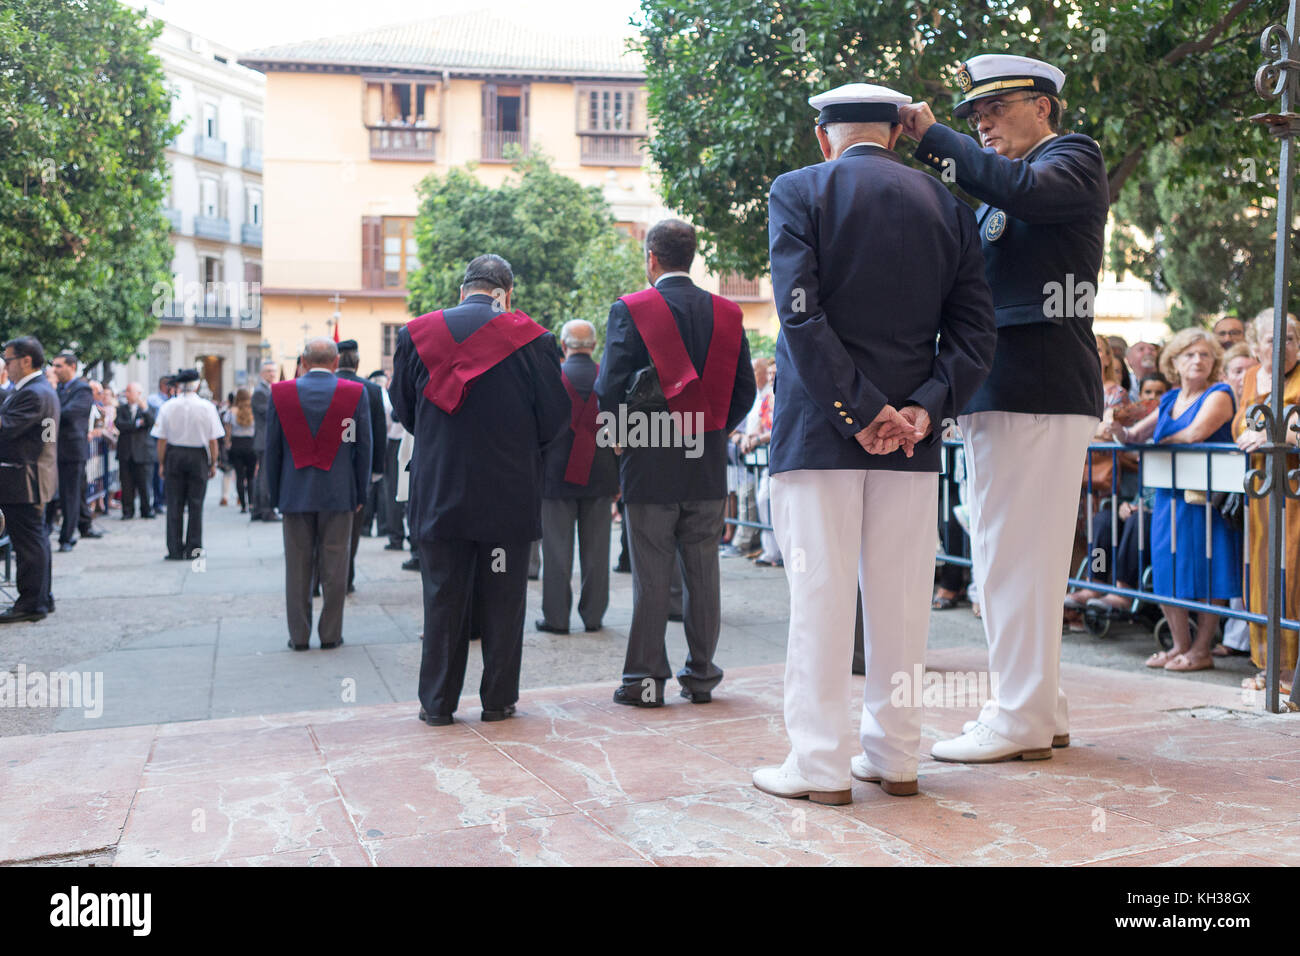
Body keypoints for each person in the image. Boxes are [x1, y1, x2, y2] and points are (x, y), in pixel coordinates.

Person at [751, 82, 996, 804]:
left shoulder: (799, 190)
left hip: (821, 435)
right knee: (901, 604)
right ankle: (896, 757)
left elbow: (800, 316)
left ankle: (820, 765)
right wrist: (920, 410)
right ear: (895, 133)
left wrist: (856, 410)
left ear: (824, 136)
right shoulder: (950, 207)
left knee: (819, 595)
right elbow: (976, 332)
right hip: (912, 443)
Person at [901, 53, 1107, 763]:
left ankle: (1018, 714)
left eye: (996, 108)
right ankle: (1040, 707)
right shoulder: (1007, 190)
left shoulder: (1072, 159)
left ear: (1043, 107)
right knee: (1010, 556)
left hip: (1038, 384)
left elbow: (1021, 192)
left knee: (1013, 559)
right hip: (1010, 386)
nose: (982, 123)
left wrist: (933, 140)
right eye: (973, 115)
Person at [390, 254, 569, 725]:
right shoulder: (536, 339)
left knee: (442, 599)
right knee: (505, 601)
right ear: (507, 294)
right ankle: (498, 702)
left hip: (440, 490)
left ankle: (437, 705)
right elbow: (555, 419)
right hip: (506, 493)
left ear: (461, 290)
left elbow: (405, 412)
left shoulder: (415, 335)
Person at [593, 219, 757, 709]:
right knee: (703, 575)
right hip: (705, 463)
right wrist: (708, 427)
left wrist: (620, 438)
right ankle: (703, 677)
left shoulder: (630, 310)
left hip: (649, 465)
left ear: (652, 259)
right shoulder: (727, 313)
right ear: (692, 257)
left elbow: (608, 387)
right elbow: (745, 390)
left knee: (651, 577)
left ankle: (646, 681)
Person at [1106, 328, 1241, 672]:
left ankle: (1201, 649)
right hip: (1168, 494)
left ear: (1213, 362)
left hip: (1205, 497)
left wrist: (1155, 445)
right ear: (1175, 362)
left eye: (1205, 354)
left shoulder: (1219, 393)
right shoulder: (1170, 397)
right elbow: (1135, 434)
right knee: (1167, 568)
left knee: (1211, 571)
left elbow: (1197, 433)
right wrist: (1117, 428)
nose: (1198, 360)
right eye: (1190, 354)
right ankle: (1180, 645)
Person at [265, 338, 371, 650]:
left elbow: (272, 451)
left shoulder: (280, 393)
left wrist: (276, 494)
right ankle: (330, 634)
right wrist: (360, 492)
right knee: (335, 566)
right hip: (339, 492)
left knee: (297, 567)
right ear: (336, 363)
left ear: (304, 362)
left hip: (294, 493)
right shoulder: (355, 393)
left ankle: (298, 637)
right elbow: (363, 449)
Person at [1232, 309, 1300, 693]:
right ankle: (1269, 665)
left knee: (1293, 572)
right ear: (1257, 347)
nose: (1283, 346)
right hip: (1262, 490)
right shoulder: (1252, 378)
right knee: (1262, 572)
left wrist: (1279, 436)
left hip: (1294, 487)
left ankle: (1292, 671)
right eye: (1274, 339)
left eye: (1290, 338)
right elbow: (1241, 423)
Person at [538, 319, 619, 634]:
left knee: (556, 553)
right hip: (600, 475)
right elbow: (620, 429)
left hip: (556, 476)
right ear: (595, 345)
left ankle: (556, 618)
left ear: (563, 345)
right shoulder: (607, 379)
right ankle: (593, 617)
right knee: (597, 552)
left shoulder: (551, 378)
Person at [0, 337, 59, 622]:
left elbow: (7, 428)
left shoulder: (33, 392)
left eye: (8, 360)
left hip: (25, 478)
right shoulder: (37, 390)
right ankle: (41, 598)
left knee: (29, 545)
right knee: (36, 541)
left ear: (26, 360)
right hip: (33, 476)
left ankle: (31, 603)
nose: (5, 366)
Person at [151, 368, 224, 560]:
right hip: (197, 455)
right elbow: (213, 440)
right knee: (195, 504)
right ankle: (193, 548)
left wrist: (161, 462)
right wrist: (213, 462)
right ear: (196, 385)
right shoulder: (207, 407)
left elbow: (161, 440)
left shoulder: (168, 406)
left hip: (174, 454)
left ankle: (174, 548)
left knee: (174, 503)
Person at [335, 340, 386, 593]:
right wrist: (377, 469)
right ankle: (346, 577)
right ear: (357, 362)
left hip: (327, 465)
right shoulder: (372, 390)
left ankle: (317, 578)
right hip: (358, 468)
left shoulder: (326, 386)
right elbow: (374, 436)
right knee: (352, 529)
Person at [50, 352, 101, 551]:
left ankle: (67, 537)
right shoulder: (58, 389)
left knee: (70, 495)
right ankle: (83, 524)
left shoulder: (82, 389)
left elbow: (70, 413)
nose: (55, 370)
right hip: (56, 448)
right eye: (54, 366)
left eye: (59, 366)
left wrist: (52, 411)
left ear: (72, 366)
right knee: (72, 493)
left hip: (72, 450)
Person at [115, 383, 156, 519]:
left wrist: (144, 410)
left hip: (143, 453)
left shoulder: (147, 408)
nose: (127, 394)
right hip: (126, 453)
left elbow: (151, 423)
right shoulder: (121, 409)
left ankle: (146, 509)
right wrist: (137, 424)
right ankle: (127, 511)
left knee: (144, 484)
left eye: (129, 391)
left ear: (138, 394)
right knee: (126, 484)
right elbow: (120, 425)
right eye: (126, 391)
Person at [250, 360, 279, 522]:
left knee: (262, 474)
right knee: (265, 476)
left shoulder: (267, 389)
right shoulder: (261, 391)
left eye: (273, 371)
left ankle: (258, 510)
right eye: (268, 371)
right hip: (264, 439)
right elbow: (270, 413)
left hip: (264, 438)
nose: (272, 374)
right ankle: (266, 510)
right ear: (262, 373)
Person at [226, 388, 258, 513]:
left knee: (239, 476)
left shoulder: (231, 412)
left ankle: (243, 505)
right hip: (251, 444)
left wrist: (228, 443)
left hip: (237, 444)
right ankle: (251, 503)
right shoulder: (253, 411)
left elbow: (228, 431)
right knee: (251, 477)